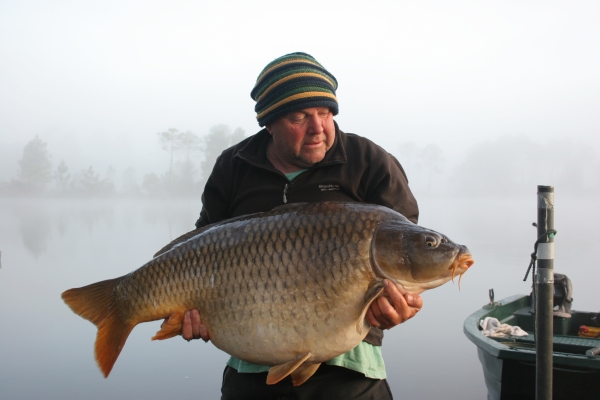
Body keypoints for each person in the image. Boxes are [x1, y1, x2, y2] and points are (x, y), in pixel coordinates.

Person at [172, 52, 422, 399]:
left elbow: (406, 250)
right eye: (299, 116)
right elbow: (201, 248)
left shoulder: (370, 163)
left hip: (350, 368)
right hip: (250, 365)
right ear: (269, 123)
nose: (318, 127)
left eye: (325, 113)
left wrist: (400, 303)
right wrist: (192, 310)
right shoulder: (233, 167)